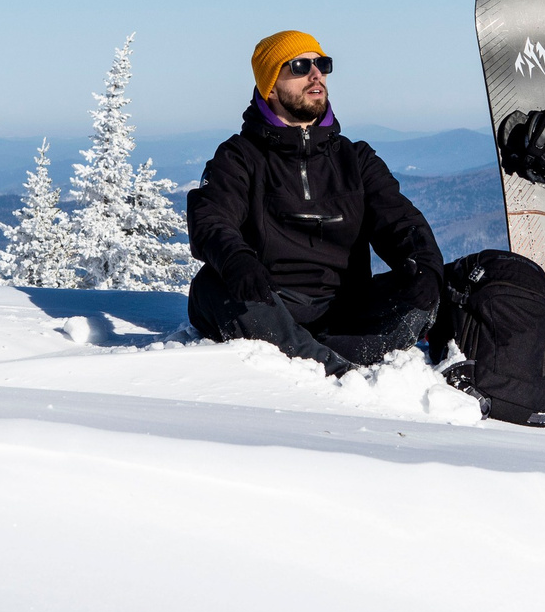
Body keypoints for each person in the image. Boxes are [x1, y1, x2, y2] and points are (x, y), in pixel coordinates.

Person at [187, 30, 444, 378]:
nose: (316, 74)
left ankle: (320, 353)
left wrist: (424, 266)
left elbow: (400, 222)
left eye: (322, 64)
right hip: (267, 302)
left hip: (344, 308)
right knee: (213, 284)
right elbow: (211, 219)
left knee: (440, 282)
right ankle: (334, 368)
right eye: (299, 65)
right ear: (270, 87)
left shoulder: (356, 159)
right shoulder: (239, 158)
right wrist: (237, 260)